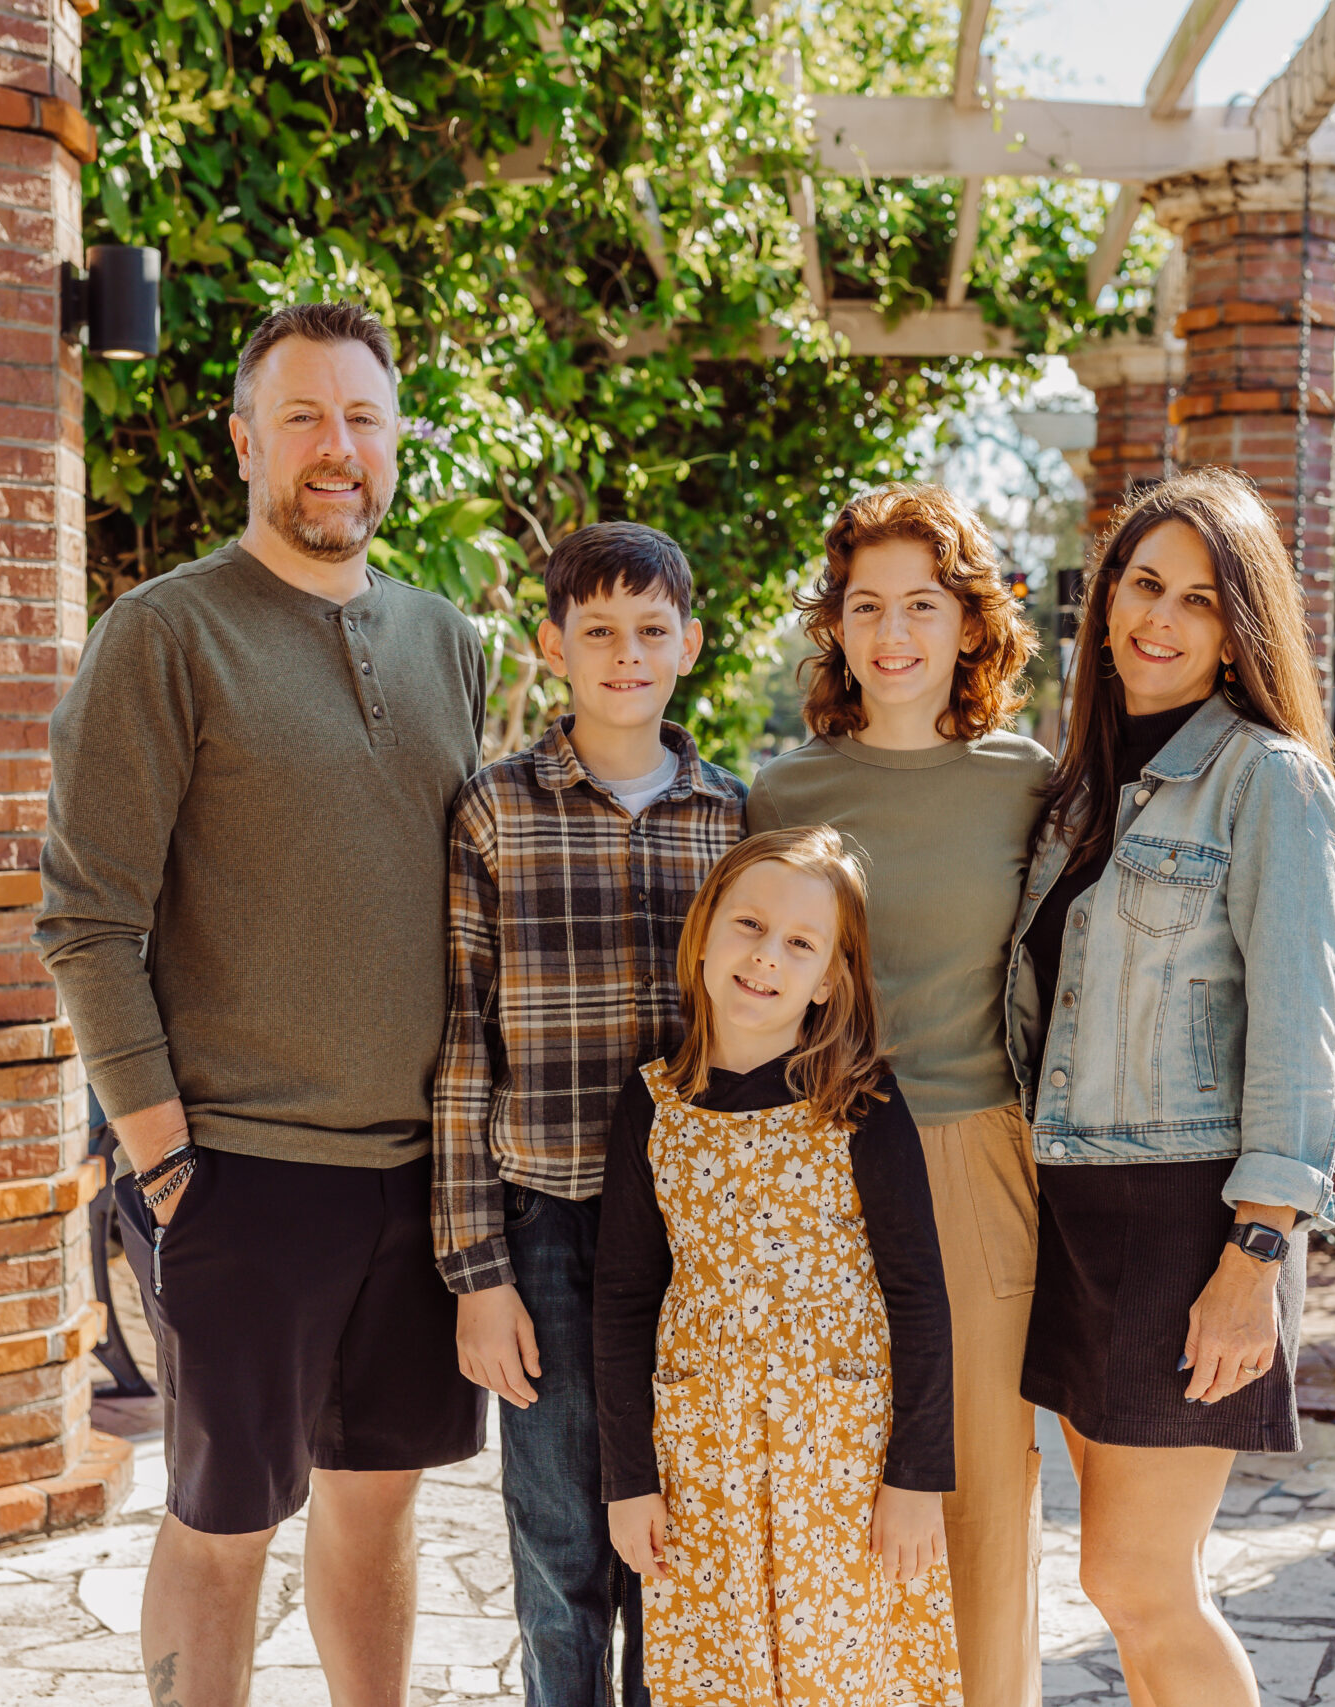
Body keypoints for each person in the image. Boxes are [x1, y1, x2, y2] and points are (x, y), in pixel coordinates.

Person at [36, 301, 488, 1707]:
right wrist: (168, 1152)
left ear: (397, 439)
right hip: (240, 1172)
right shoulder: (163, 633)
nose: (335, 447)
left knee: (378, 1505)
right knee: (224, 1522)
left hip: (418, 1181)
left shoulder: (449, 642)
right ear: (246, 440)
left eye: (361, 416)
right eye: (302, 416)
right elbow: (86, 917)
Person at [1005, 468, 1335, 1707]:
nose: (1161, 617)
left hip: (1188, 1220)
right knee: (1124, 1583)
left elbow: (1300, 1042)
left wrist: (1254, 1259)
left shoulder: (1269, 782)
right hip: (1074, 1210)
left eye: (1200, 601)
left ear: (1236, 631)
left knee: (1142, 1583)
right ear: (1103, 607)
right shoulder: (1079, 790)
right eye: (1143, 585)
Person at [744, 484, 1050, 1707]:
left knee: (978, 1495)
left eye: (923, 603)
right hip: (819, 1164)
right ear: (836, 628)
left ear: (971, 624)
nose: (893, 634)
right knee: (832, 1493)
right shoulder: (782, 797)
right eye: (865, 605)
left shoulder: (1030, 784)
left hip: (976, 1163)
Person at [433, 521, 747, 1707]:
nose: (626, 654)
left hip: (698, 1239)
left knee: (675, 1548)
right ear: (551, 644)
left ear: (690, 646)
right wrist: (476, 1272)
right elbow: (465, 1041)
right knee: (561, 1547)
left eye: (651, 631)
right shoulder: (492, 814)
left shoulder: (734, 820)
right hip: (548, 1227)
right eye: (599, 631)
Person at [592, 826, 960, 1706]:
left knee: (844, 1673)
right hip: (701, 1460)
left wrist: (916, 1477)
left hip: (838, 1461)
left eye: (800, 943)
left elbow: (917, 1292)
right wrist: (629, 1482)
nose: (766, 956)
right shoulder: (651, 1105)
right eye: (749, 925)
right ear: (705, 933)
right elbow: (621, 1299)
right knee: (718, 1671)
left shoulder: (861, 1101)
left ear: (830, 977)